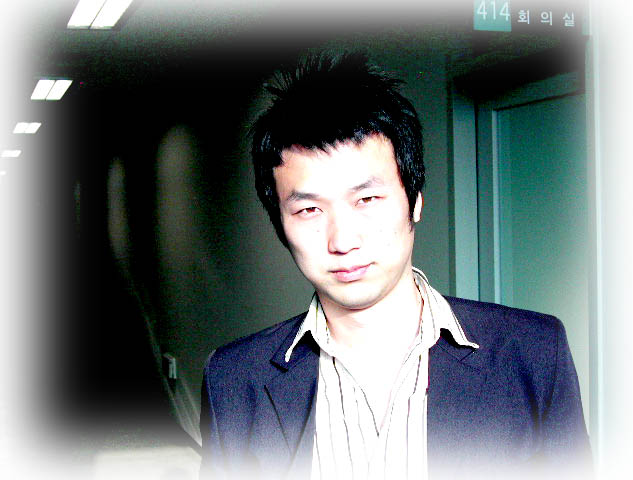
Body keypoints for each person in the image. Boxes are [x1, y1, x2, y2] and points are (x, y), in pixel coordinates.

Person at [199, 53, 591, 480]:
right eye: (309, 210)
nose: (342, 241)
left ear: (415, 200)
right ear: (279, 224)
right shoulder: (233, 379)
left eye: (367, 199)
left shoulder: (533, 351)